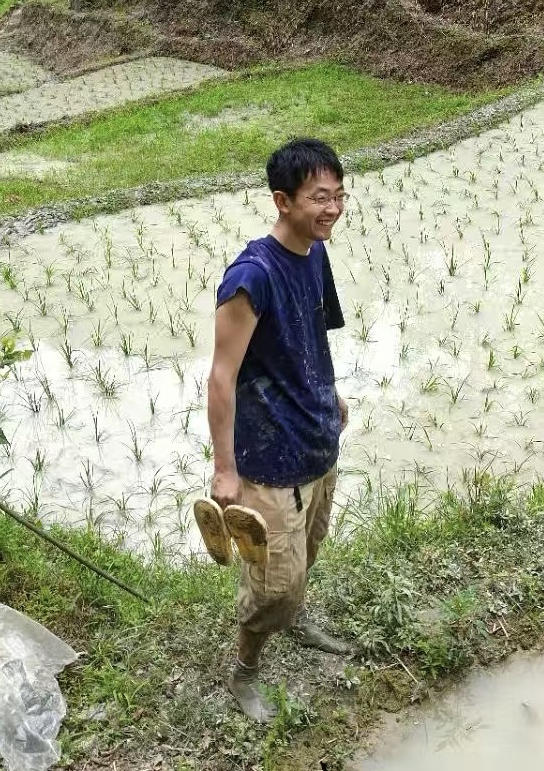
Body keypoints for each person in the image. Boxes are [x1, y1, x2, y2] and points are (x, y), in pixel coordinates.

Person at [203, 137, 355, 723]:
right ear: (282, 200)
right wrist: (224, 468)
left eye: (339, 195)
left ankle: (294, 615)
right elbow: (222, 376)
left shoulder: (316, 254)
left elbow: (310, 336)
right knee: (272, 585)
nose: (333, 208)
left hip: (318, 440)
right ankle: (246, 666)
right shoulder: (251, 277)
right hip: (267, 457)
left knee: (304, 555)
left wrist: (330, 395)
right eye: (320, 197)